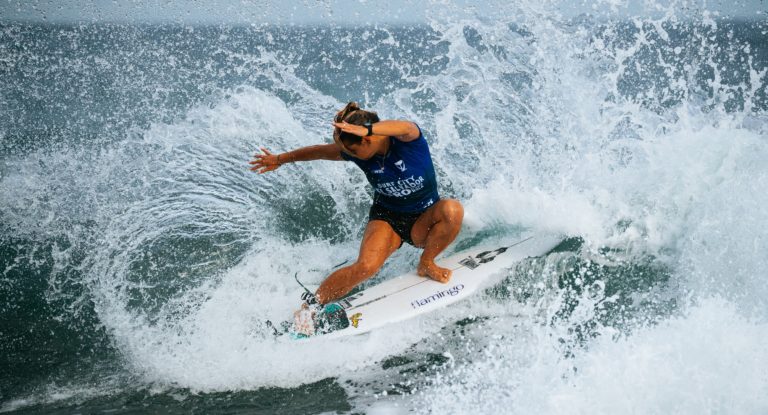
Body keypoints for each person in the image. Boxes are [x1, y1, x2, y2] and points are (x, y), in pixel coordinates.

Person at [249, 102, 463, 306]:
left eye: (352, 151)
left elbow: (406, 126)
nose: (349, 155)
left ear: (367, 140)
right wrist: (279, 159)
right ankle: (312, 307)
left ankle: (426, 263)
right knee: (365, 267)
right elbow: (319, 151)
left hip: (424, 219)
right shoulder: (358, 153)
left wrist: (368, 129)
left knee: (452, 210)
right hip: (388, 218)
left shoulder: (407, 142)